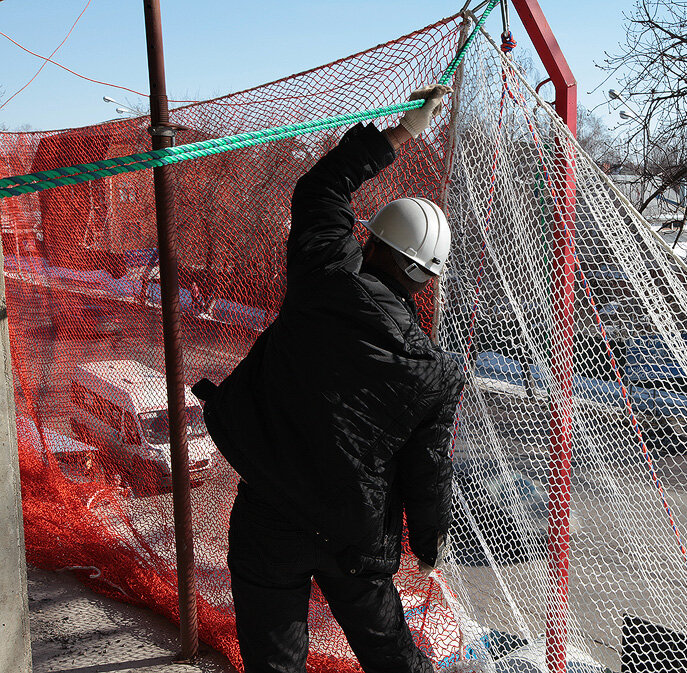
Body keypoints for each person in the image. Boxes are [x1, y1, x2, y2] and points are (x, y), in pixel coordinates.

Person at [193, 84, 464, 673]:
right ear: (426, 282)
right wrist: (428, 546)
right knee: (391, 655)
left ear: (370, 242)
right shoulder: (436, 372)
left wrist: (401, 132)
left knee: (274, 660)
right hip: (355, 534)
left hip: (271, 511)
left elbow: (320, 189)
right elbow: (429, 467)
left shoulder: (322, 275)